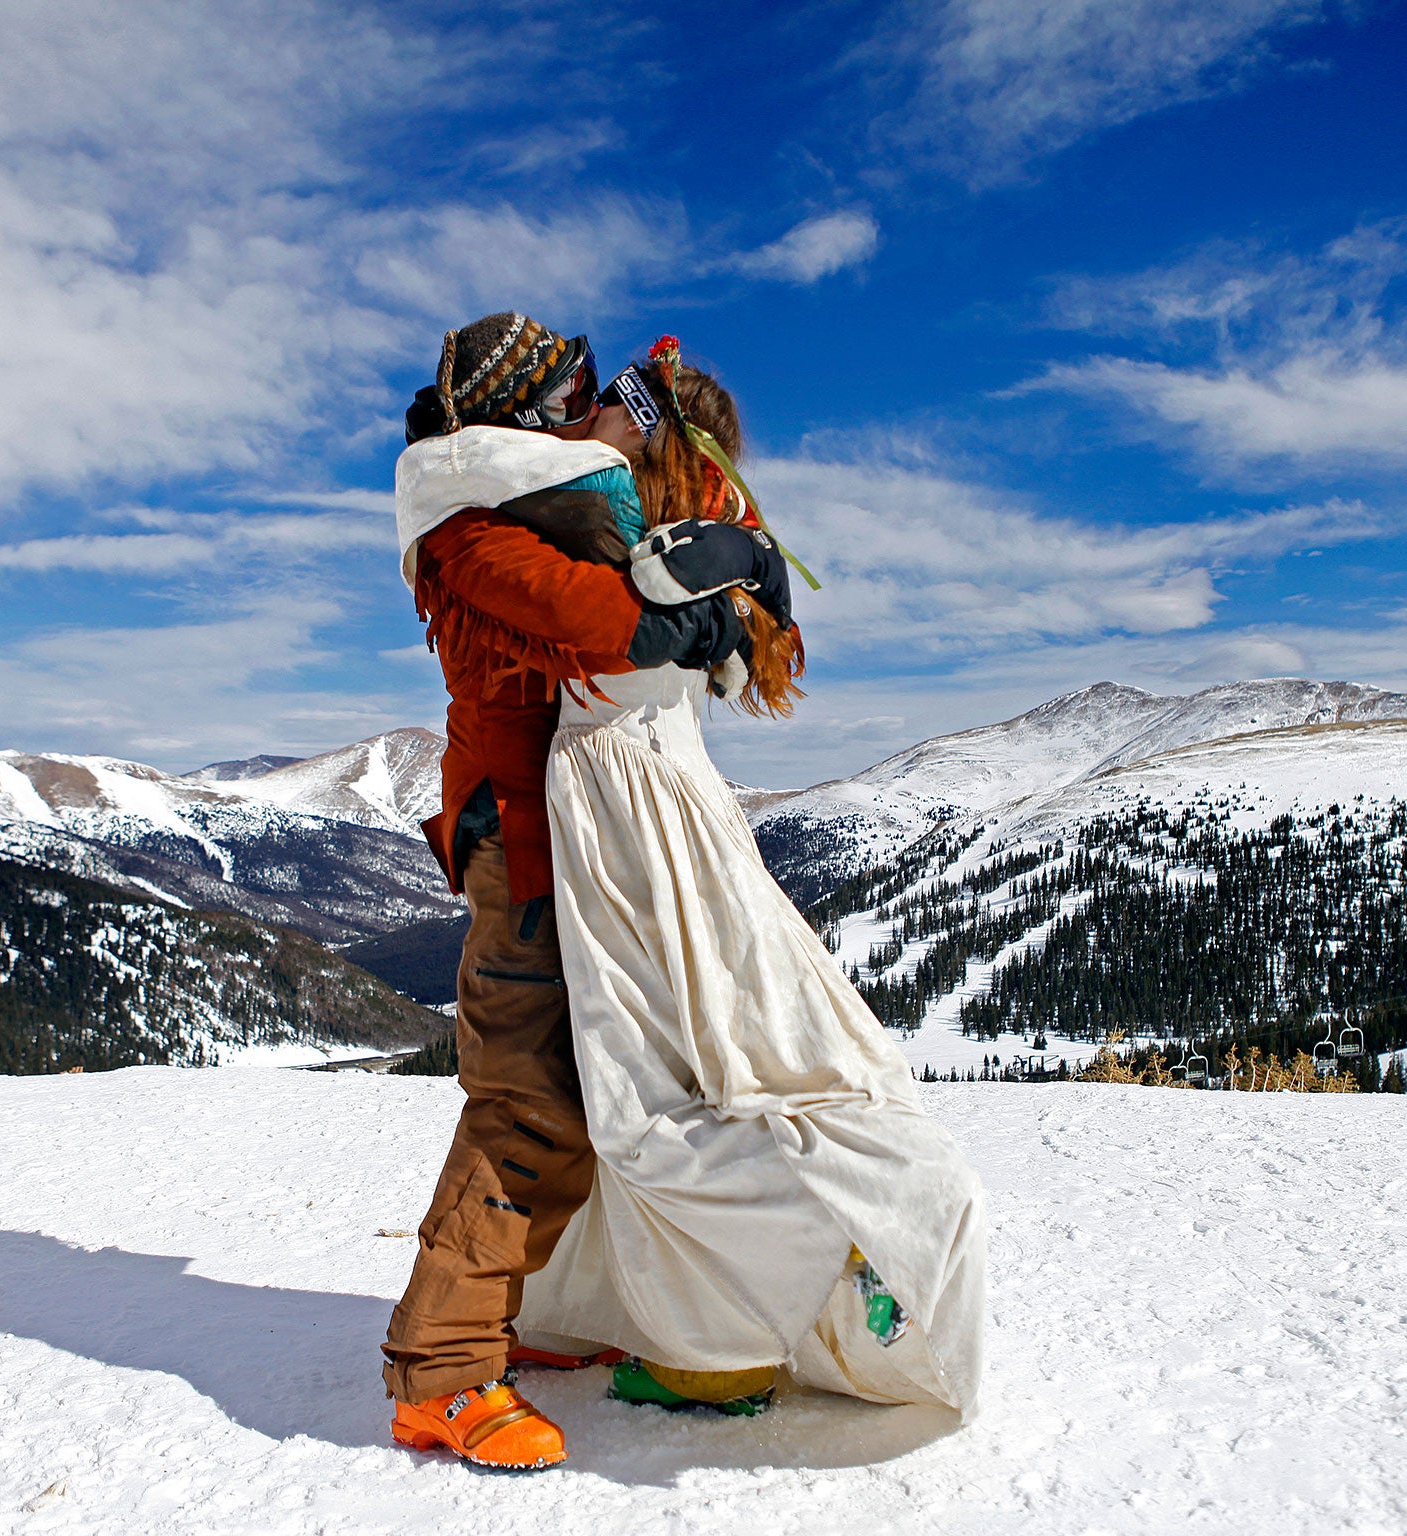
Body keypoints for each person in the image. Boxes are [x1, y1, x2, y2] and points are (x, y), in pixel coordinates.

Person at [515, 340, 988, 1421]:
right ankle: (705, 1310)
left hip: (625, 813)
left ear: (656, 435)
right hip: (658, 801)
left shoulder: (637, 540)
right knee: (704, 1059)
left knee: (647, 1090)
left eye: (624, 397)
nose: (593, 410)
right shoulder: (692, 545)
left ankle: (749, 1317)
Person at [382, 313, 780, 1470]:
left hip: (568, 840)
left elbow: (666, 519)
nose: (579, 410)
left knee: (603, 1082)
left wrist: (732, 537)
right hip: (522, 847)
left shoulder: (535, 499)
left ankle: (535, 1315)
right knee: (524, 1100)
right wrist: (694, 602)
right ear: (517, 408)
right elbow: (594, 618)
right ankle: (439, 1373)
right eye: (564, 394)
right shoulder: (469, 522)